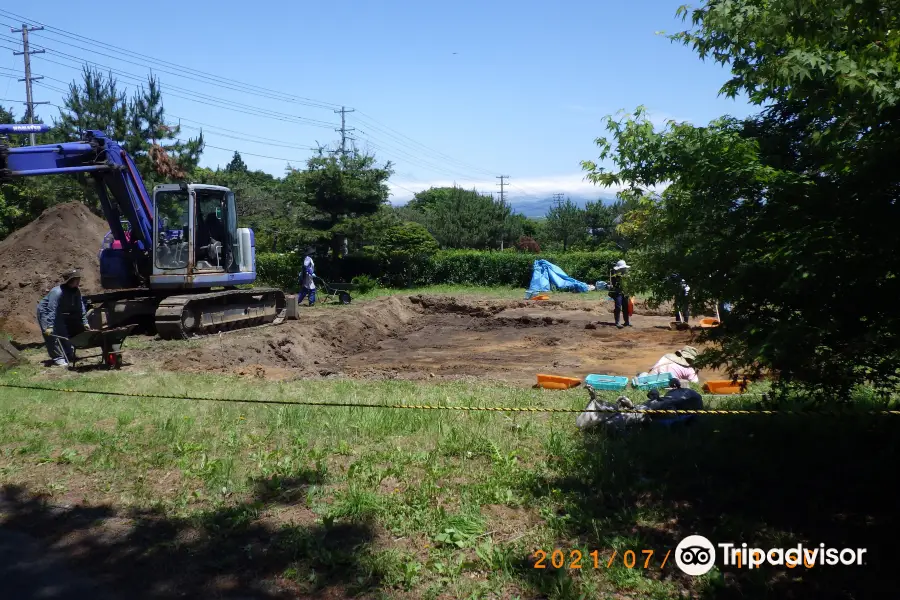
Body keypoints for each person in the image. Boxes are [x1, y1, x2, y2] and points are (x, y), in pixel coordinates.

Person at [36, 268, 91, 367]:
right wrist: (49, 326)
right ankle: (58, 358)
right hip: (45, 312)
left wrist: (85, 321)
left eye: (79, 278)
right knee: (52, 335)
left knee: (63, 332)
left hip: (58, 312)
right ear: (69, 280)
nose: (78, 281)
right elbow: (51, 309)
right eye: (76, 279)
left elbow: (80, 306)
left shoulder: (76, 291)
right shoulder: (57, 292)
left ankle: (68, 354)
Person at [608, 259, 631, 329]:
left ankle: (626, 321)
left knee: (626, 306)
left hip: (625, 292)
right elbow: (614, 284)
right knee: (618, 307)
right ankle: (617, 322)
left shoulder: (627, 275)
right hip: (617, 292)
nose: (623, 270)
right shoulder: (614, 276)